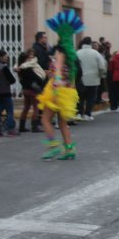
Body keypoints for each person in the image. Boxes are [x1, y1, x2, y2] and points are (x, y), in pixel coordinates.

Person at [37, 10, 83, 160]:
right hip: (69, 90)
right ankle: (69, 149)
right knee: (63, 123)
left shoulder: (60, 52)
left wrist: (55, 83)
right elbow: (71, 74)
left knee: (45, 119)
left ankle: (53, 147)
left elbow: (57, 70)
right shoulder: (72, 54)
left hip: (57, 90)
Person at [0, 49, 18, 137]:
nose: (7, 58)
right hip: (5, 92)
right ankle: (10, 129)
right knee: (9, 111)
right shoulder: (3, 68)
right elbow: (12, 80)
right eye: (5, 56)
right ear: (1, 57)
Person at [77, 36, 107, 120]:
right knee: (91, 97)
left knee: (80, 97)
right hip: (93, 78)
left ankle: (79, 113)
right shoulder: (95, 53)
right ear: (90, 43)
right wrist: (101, 75)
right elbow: (102, 66)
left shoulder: (78, 53)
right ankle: (88, 114)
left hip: (80, 79)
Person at [17, 48, 46, 132]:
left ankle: (21, 126)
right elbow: (36, 78)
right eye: (28, 58)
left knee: (26, 107)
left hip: (25, 90)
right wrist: (41, 80)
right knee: (36, 108)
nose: (30, 59)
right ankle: (34, 126)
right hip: (32, 90)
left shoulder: (20, 69)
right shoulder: (27, 68)